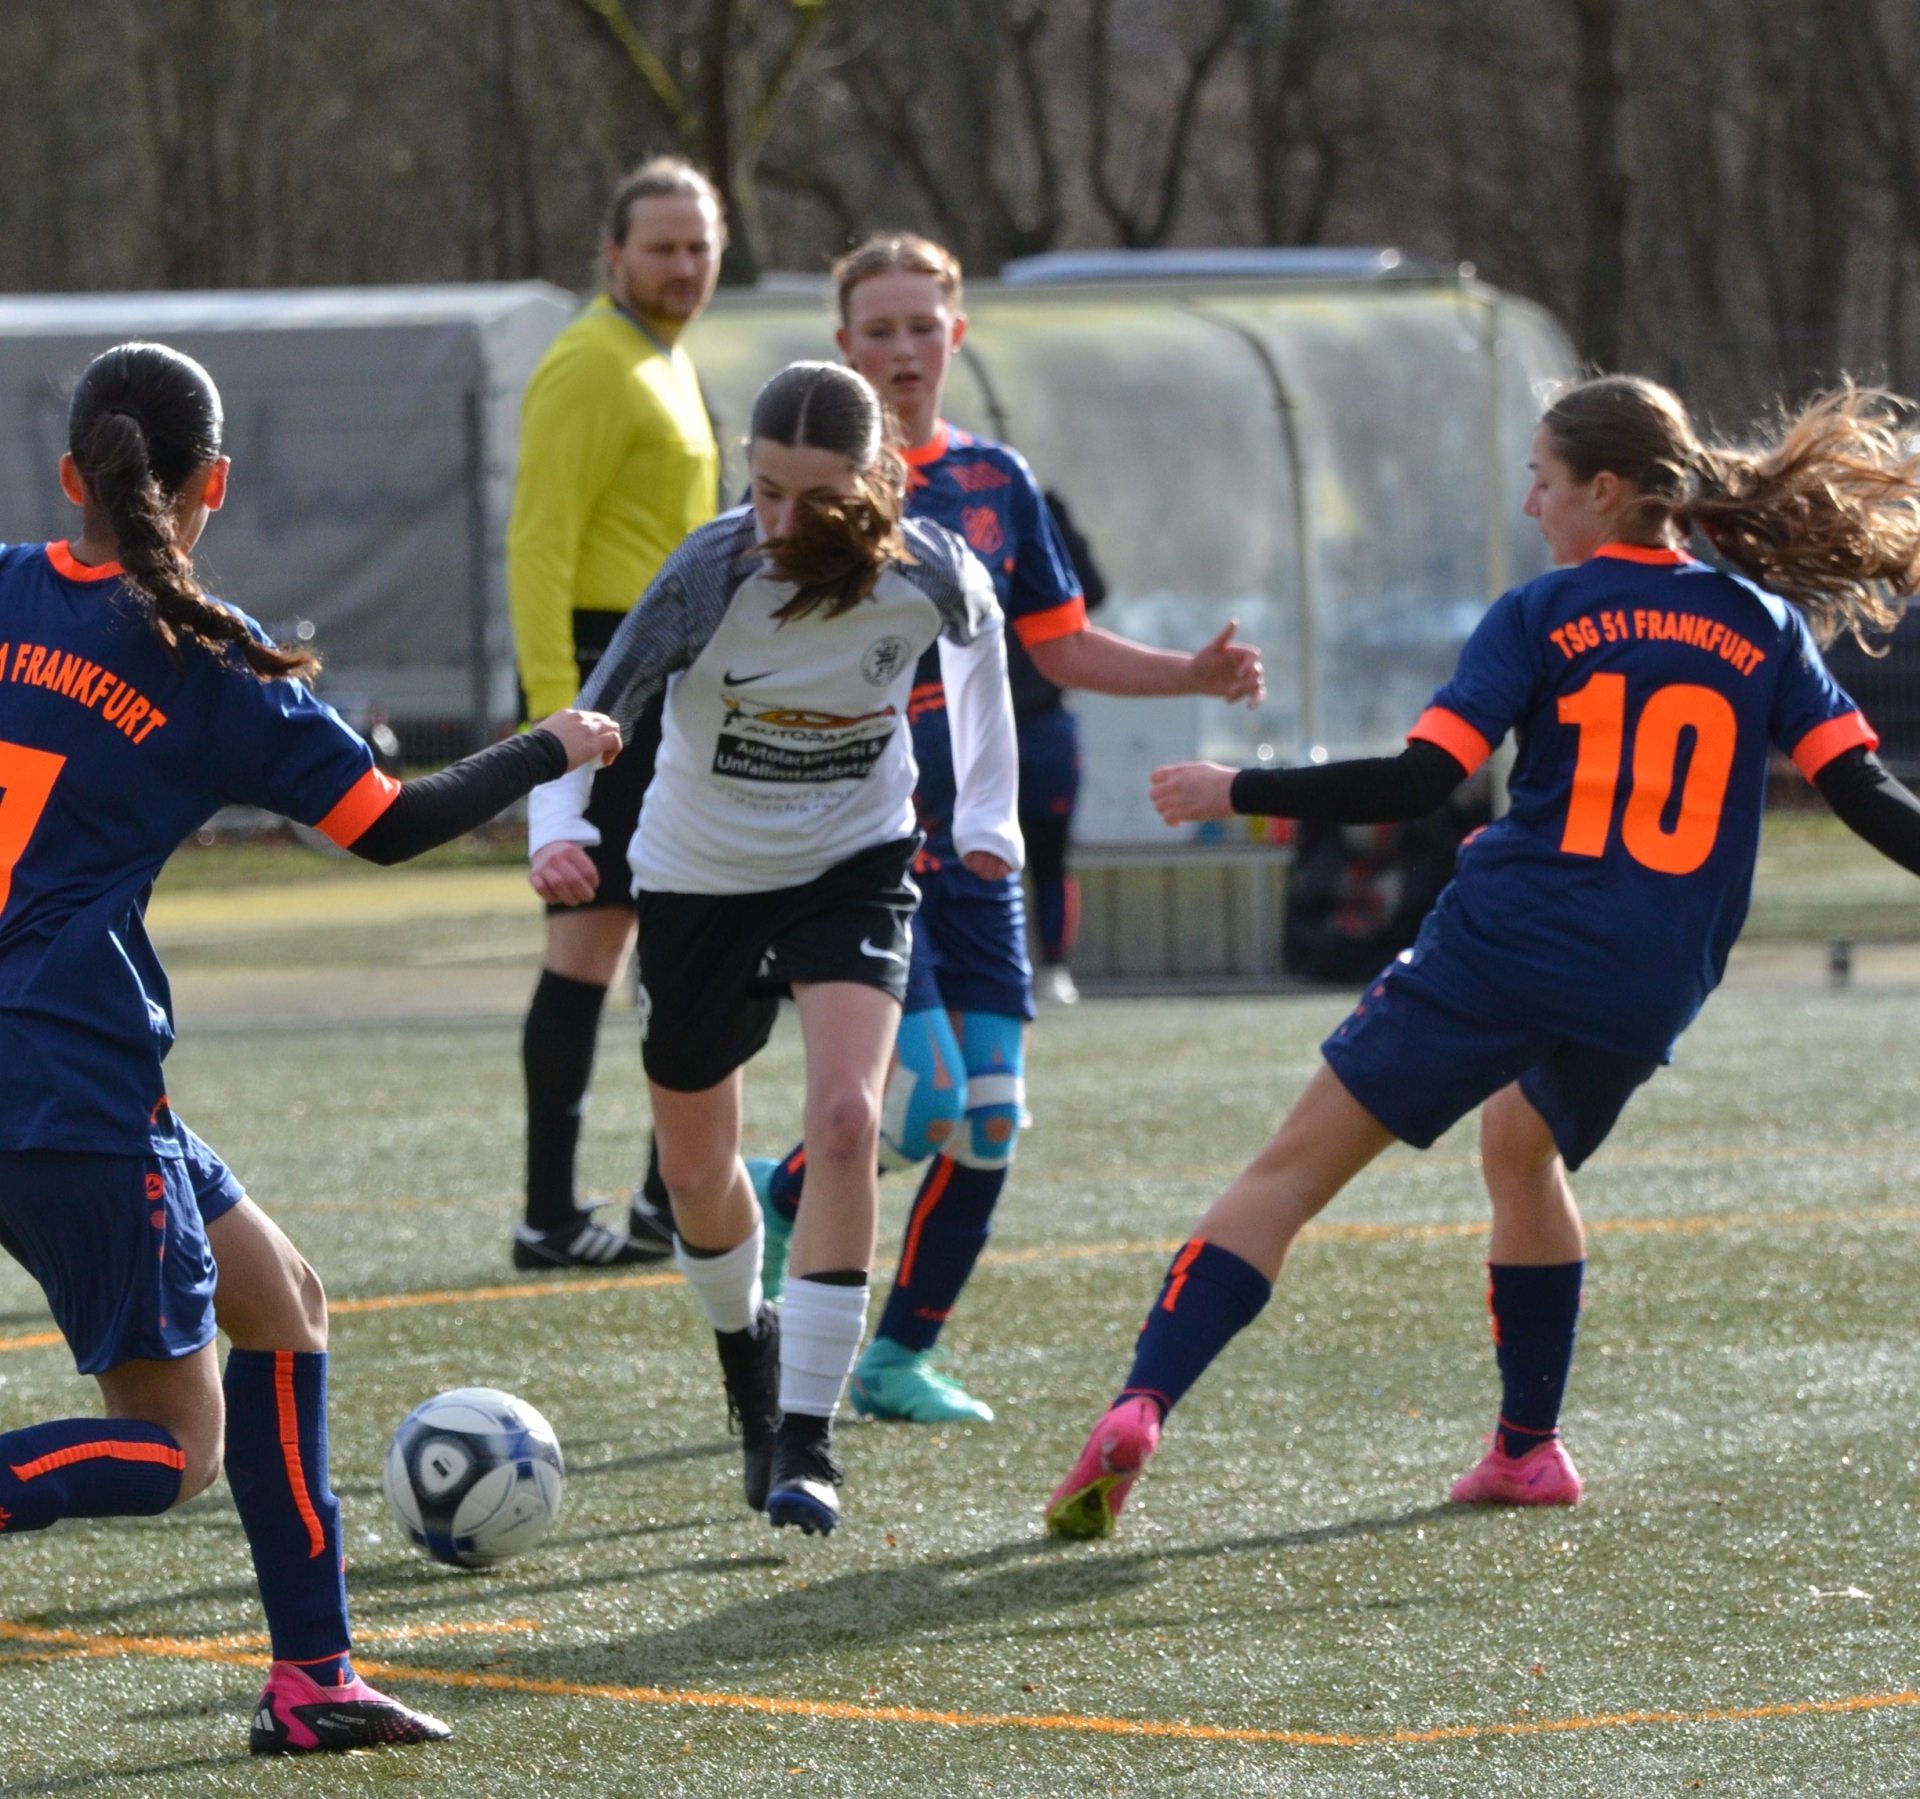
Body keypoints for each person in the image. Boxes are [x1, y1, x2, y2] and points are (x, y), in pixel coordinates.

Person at [1045, 374, 1920, 1540]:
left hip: (1505, 946)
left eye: (1542, 479)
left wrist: (1234, 785)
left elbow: (1417, 781)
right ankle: (1527, 1449)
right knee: (1523, 1142)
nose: (1529, 503)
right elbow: (1863, 791)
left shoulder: (1544, 611)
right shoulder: (1758, 622)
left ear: (1604, 491)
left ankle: (1141, 1403)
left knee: (1286, 1176)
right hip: (1652, 973)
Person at [0, 342, 622, 1749]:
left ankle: (314, 1678)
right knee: (172, 1450)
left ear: (69, 478)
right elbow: (389, 822)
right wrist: (554, 745)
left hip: (61, 1069)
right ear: (213, 482)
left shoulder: (2, 584)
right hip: (67, 1077)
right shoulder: (209, 658)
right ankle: (312, 1674)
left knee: (284, 1298)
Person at [749, 233, 1263, 1426]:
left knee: (988, 1121)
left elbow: (1061, 645)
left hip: (982, 846)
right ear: (843, 347)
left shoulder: (996, 481)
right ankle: (788, 1196)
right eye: (877, 329)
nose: (901, 349)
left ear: (956, 336)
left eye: (922, 325)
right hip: (860, 845)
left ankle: (896, 1358)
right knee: (919, 1107)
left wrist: (1190, 670)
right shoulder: (802, 493)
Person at [528, 361, 1019, 1536]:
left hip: (853, 859)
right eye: (763, 490)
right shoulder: (714, 570)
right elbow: (605, 706)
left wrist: (989, 815)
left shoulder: (927, 572)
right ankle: (745, 1346)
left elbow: (985, 649)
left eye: (812, 497)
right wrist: (556, 829)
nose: (781, 522)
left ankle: (807, 1432)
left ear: (874, 482)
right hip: (697, 875)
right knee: (699, 1173)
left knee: (849, 1117)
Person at [506, 157, 724, 1270]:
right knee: (593, 945)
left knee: (681, 935)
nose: (684, 265)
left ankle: (653, 1199)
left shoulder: (666, 362)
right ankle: (552, 1212)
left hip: (670, 685)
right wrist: (560, 721)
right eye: (662, 247)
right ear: (614, 256)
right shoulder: (592, 361)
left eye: (699, 245)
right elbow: (539, 540)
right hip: (606, 682)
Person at [1018, 491, 1107, 1006]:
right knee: (963, 851)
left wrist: (1047, 515)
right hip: (970, 725)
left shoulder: (1039, 514)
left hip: (1043, 723)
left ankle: (1053, 966)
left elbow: (1093, 590)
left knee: (1049, 852)